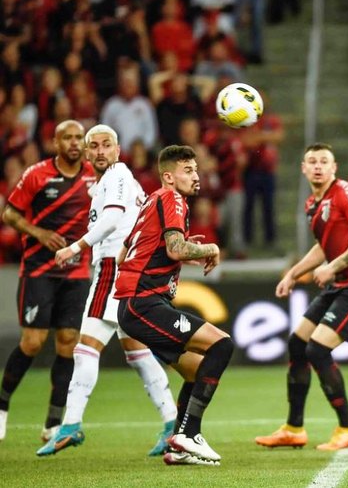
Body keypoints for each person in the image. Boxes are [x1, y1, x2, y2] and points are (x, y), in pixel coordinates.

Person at [37, 125, 177, 457]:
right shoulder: (113, 182)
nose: (100, 151)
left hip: (114, 270)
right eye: (94, 146)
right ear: (87, 154)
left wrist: (75, 248)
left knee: (85, 348)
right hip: (128, 271)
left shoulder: (116, 175)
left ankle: (70, 425)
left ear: (117, 150)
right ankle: (173, 424)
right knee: (137, 352)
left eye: (106, 145)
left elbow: (114, 218)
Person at [114, 145, 233, 466]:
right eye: (188, 170)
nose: (196, 176)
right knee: (221, 345)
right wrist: (210, 247)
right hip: (145, 303)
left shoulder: (152, 200)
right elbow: (175, 248)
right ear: (169, 176)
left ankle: (178, 448)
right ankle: (189, 433)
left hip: (135, 305)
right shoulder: (171, 198)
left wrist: (183, 255)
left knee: (197, 372)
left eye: (196, 169)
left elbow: (126, 255)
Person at [255, 143, 348, 451]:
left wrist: (332, 267)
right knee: (297, 344)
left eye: (324, 161)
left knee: (318, 350)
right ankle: (294, 428)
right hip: (337, 285)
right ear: (304, 169)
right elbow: (323, 246)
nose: (318, 166)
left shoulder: (345, 192)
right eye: (312, 162)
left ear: (334, 168)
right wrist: (294, 273)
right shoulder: (312, 203)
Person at [0, 120, 95, 442]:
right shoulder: (37, 174)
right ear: (55, 143)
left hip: (77, 271)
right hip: (39, 270)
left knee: (69, 342)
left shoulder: (95, 176)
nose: (73, 143)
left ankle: (53, 423)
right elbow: (10, 214)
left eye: (78, 138)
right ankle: (1, 405)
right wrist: (39, 233)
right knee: (33, 343)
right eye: (67, 138)